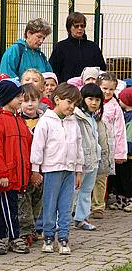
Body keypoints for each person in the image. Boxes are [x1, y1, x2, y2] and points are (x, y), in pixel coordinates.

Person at [31, 83, 83, 255]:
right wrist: (35, 168)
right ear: (57, 100)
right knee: (50, 204)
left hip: (69, 169)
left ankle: (63, 236)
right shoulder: (46, 121)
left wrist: (79, 169)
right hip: (52, 169)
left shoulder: (74, 121)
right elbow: (38, 146)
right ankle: (48, 236)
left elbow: (78, 145)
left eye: (75, 104)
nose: (71, 107)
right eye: (69, 102)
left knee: (66, 205)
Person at [0, 79, 32, 255]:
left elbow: (26, 149)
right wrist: (2, 173)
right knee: (9, 207)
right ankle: (14, 237)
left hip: (17, 175)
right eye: (18, 96)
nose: (21, 99)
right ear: (8, 98)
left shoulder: (20, 121)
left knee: (2, 207)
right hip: (7, 176)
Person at [73, 84, 105, 231]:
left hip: (93, 159)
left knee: (86, 191)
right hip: (80, 161)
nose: (93, 103)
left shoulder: (94, 118)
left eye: (97, 100)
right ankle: (63, 219)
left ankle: (82, 217)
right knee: (73, 192)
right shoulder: (77, 116)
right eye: (90, 99)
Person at [96, 73, 127, 210]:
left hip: (107, 147)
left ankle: (98, 205)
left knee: (102, 178)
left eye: (111, 89)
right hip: (91, 146)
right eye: (104, 88)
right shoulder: (91, 102)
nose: (107, 92)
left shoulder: (115, 108)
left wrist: (120, 153)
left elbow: (120, 131)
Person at [18, 84, 44, 245]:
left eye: (33, 100)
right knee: (24, 198)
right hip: (24, 167)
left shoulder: (44, 120)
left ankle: (34, 226)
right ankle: (25, 230)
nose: (29, 104)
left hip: (41, 167)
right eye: (25, 101)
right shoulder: (18, 120)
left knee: (38, 198)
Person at [49, 12, 106, 83]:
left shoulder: (93, 47)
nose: (80, 28)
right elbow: (54, 70)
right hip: (68, 89)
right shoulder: (60, 47)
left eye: (82, 26)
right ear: (69, 28)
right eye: (76, 26)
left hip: (89, 89)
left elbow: (101, 69)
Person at [113, 88, 132, 212]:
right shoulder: (123, 115)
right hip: (121, 152)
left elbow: (129, 136)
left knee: (128, 179)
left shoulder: (129, 118)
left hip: (128, 154)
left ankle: (129, 200)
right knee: (119, 179)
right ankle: (120, 200)